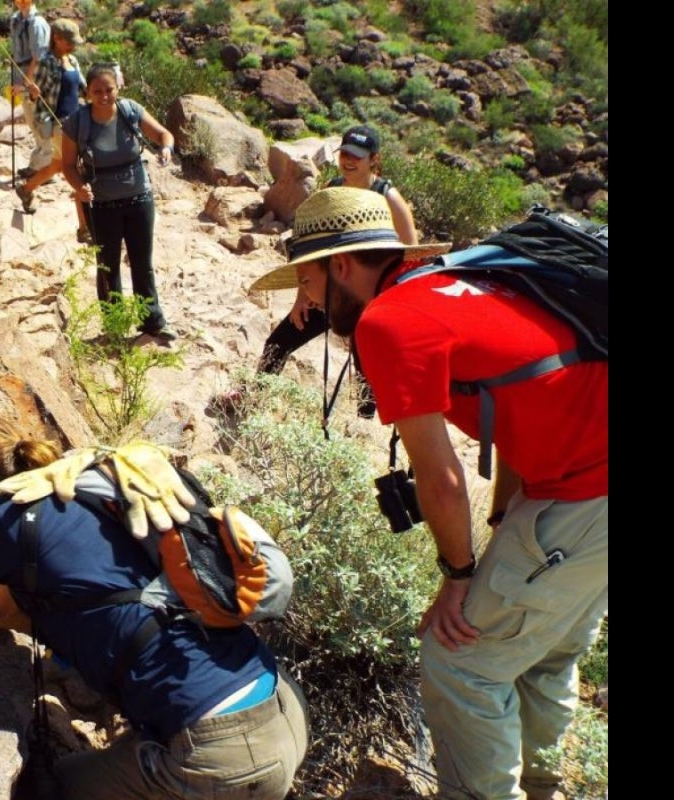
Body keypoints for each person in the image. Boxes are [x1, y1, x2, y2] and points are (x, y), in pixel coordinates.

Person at [251, 187, 607, 800]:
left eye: (304, 280)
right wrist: (503, 520)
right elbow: (535, 389)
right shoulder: (465, 279)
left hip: (583, 495)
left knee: (460, 661)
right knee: (542, 652)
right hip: (578, 486)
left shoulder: (389, 323)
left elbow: (441, 477)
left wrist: (459, 576)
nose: (303, 300)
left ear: (338, 266)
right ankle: (545, 784)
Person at [0, 410, 310, 799]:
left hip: (219, 752)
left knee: (50, 790)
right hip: (280, 706)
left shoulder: (2, 515)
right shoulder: (80, 484)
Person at [252, 125, 419, 417]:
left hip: (368, 297)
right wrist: (301, 296)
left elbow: (410, 255)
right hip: (327, 288)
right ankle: (253, 401)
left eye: (357, 155)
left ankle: (362, 430)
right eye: (345, 153)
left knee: (366, 368)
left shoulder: (388, 197)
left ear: (373, 159)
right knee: (278, 343)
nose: (349, 160)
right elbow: (310, 252)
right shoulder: (331, 192)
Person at [61, 64, 178, 342]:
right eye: (97, 91)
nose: (104, 96)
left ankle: (151, 321)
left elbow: (164, 134)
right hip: (101, 205)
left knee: (142, 262)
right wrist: (79, 188)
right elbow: (67, 165)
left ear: (118, 89)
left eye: (109, 90)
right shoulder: (76, 123)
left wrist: (166, 148)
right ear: (87, 92)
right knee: (108, 266)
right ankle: (114, 325)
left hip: (139, 199)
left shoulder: (130, 111)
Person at [15, 18, 88, 242]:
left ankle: (26, 189)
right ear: (56, 38)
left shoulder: (72, 60)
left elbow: (83, 89)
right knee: (75, 170)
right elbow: (30, 94)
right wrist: (33, 94)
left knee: (57, 165)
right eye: (69, 41)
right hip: (58, 124)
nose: (74, 46)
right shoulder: (46, 62)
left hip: (76, 121)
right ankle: (85, 229)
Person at [8, 0, 51, 180]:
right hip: (20, 73)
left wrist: (26, 82)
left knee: (40, 121)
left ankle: (45, 169)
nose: (21, 2)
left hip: (33, 78)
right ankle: (38, 165)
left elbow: (38, 57)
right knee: (31, 120)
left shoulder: (37, 23)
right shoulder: (15, 20)